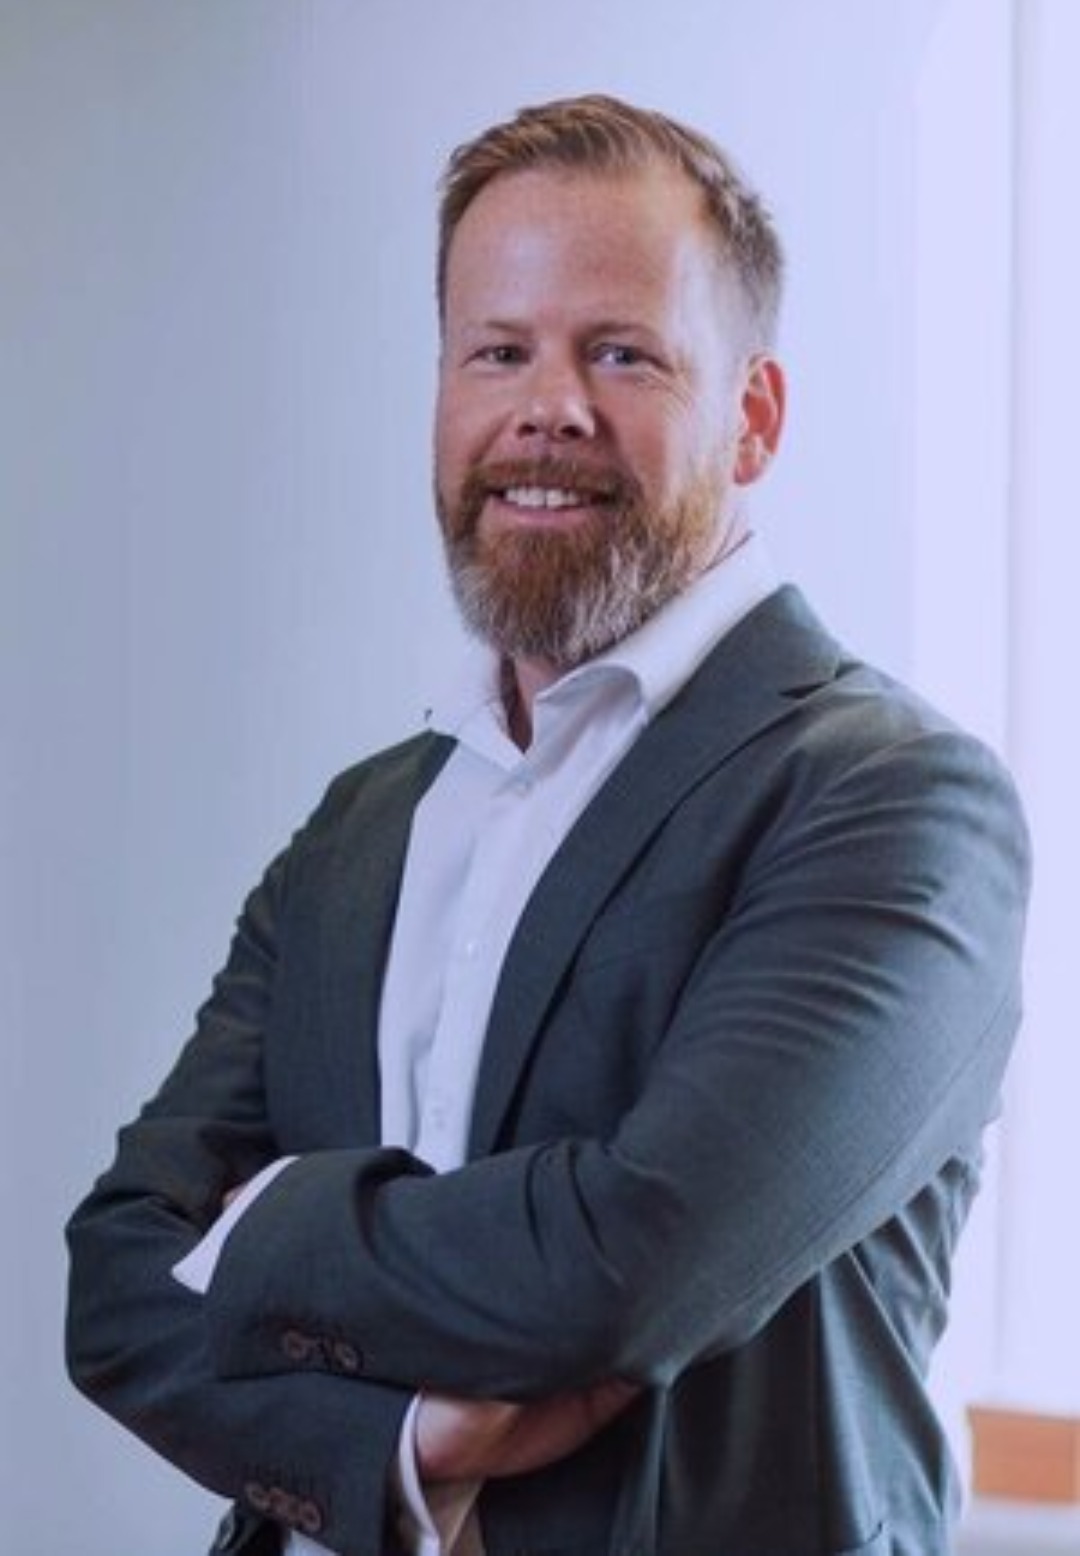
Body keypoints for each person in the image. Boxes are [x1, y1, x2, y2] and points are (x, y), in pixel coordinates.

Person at [65, 94, 1030, 1556]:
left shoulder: (894, 804)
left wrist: (263, 1226)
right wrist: (396, 1449)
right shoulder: (364, 825)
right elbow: (116, 1284)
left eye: (623, 353)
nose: (548, 408)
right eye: (498, 351)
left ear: (754, 417)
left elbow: (631, 1265)